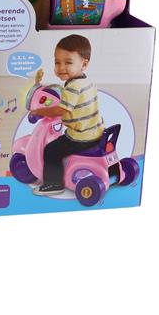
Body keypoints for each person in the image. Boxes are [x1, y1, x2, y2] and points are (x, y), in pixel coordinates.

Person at [31, 34, 104, 196]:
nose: (61, 67)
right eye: (57, 62)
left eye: (68, 62)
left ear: (84, 64)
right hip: (96, 131)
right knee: (63, 137)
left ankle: (53, 184)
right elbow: (76, 103)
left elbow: (60, 110)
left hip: (81, 137)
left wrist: (39, 111)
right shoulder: (87, 82)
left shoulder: (72, 87)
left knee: (51, 150)